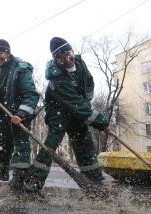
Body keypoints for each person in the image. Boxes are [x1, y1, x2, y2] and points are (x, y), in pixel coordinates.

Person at [23, 37, 112, 193]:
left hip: (78, 106)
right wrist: (102, 123)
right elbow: (76, 104)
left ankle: (94, 180)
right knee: (51, 144)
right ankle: (33, 181)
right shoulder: (57, 79)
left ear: (72, 51)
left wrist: (87, 99)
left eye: (69, 53)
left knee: (84, 142)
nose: (68, 59)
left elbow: (89, 82)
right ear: (56, 60)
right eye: (61, 57)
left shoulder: (79, 62)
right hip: (58, 112)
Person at [0, 39, 40, 190]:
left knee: (20, 145)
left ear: (7, 52)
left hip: (19, 115)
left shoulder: (21, 69)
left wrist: (21, 114)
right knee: (1, 144)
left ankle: (20, 177)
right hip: (3, 115)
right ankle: (2, 174)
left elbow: (31, 94)